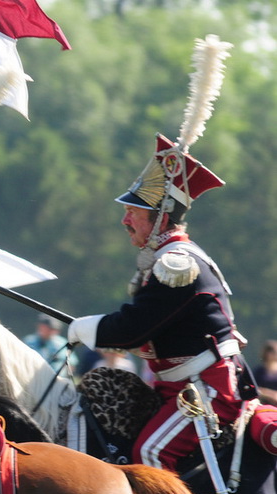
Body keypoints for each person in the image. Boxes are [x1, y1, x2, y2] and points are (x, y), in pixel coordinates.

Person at [68, 134, 257, 472]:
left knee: (152, 454)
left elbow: (132, 331)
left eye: (132, 212)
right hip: (177, 387)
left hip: (208, 389)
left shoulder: (178, 264)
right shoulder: (164, 259)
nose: (124, 221)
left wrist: (86, 328)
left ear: (160, 217)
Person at [253, 340, 277, 405]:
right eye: (273, 351)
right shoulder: (259, 371)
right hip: (263, 404)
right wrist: (271, 395)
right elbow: (255, 388)